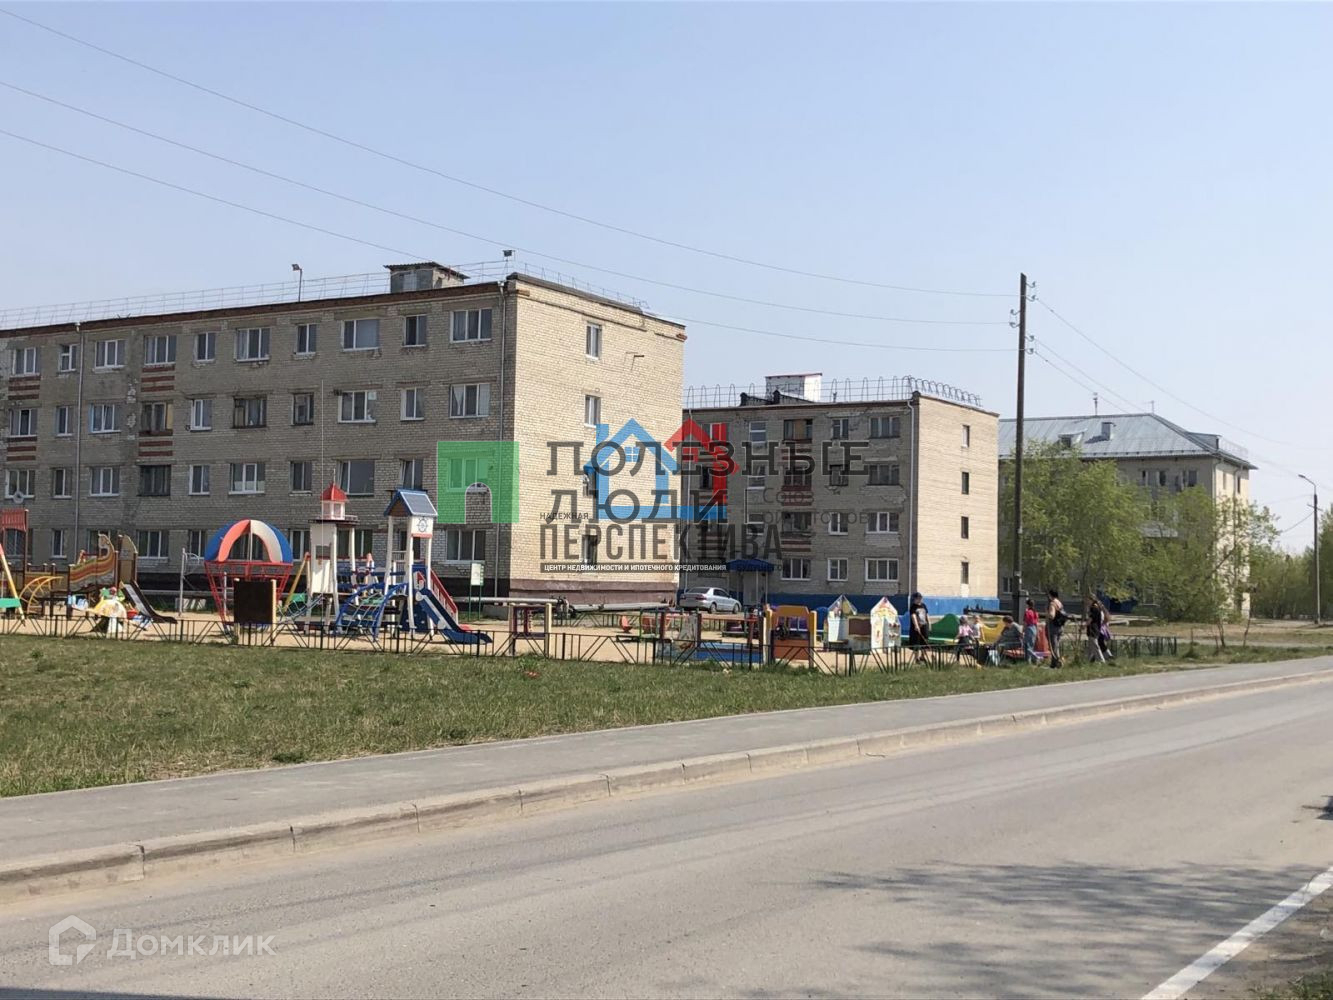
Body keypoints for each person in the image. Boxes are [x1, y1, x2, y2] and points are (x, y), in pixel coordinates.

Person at [1046, 589, 1067, 668]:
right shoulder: (1059, 603)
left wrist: (1047, 613)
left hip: (1053, 627)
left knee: (1053, 645)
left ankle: (1057, 662)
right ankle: (1054, 662)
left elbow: (1052, 615)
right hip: (1060, 626)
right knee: (1056, 645)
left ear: (1050, 595)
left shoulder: (1052, 603)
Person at [908, 592, 930, 663]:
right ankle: (916, 658)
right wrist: (916, 625)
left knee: (925, 642)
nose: (920, 599)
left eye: (920, 598)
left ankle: (922, 657)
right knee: (916, 643)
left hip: (924, 625)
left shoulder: (924, 605)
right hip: (917, 627)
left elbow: (927, 615)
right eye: (918, 598)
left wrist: (929, 623)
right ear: (915, 599)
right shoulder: (913, 607)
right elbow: (913, 616)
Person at [1085, 595, 1107, 663]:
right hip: (1095, 628)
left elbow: (1090, 619)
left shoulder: (1094, 608)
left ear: (1092, 600)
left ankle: (1101, 660)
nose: (1087, 601)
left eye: (1088, 600)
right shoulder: (1096, 607)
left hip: (1093, 629)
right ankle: (1089, 660)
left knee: (1095, 645)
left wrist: (1084, 626)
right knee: (1090, 646)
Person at [1022, 598, 1040, 664]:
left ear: (1027, 605)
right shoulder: (1035, 612)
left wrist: (1023, 630)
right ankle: (1029, 660)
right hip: (1034, 629)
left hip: (1029, 628)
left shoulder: (1027, 612)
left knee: (1027, 646)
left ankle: (1034, 658)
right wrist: (1037, 633)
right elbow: (1037, 623)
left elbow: (1025, 623)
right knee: (1031, 645)